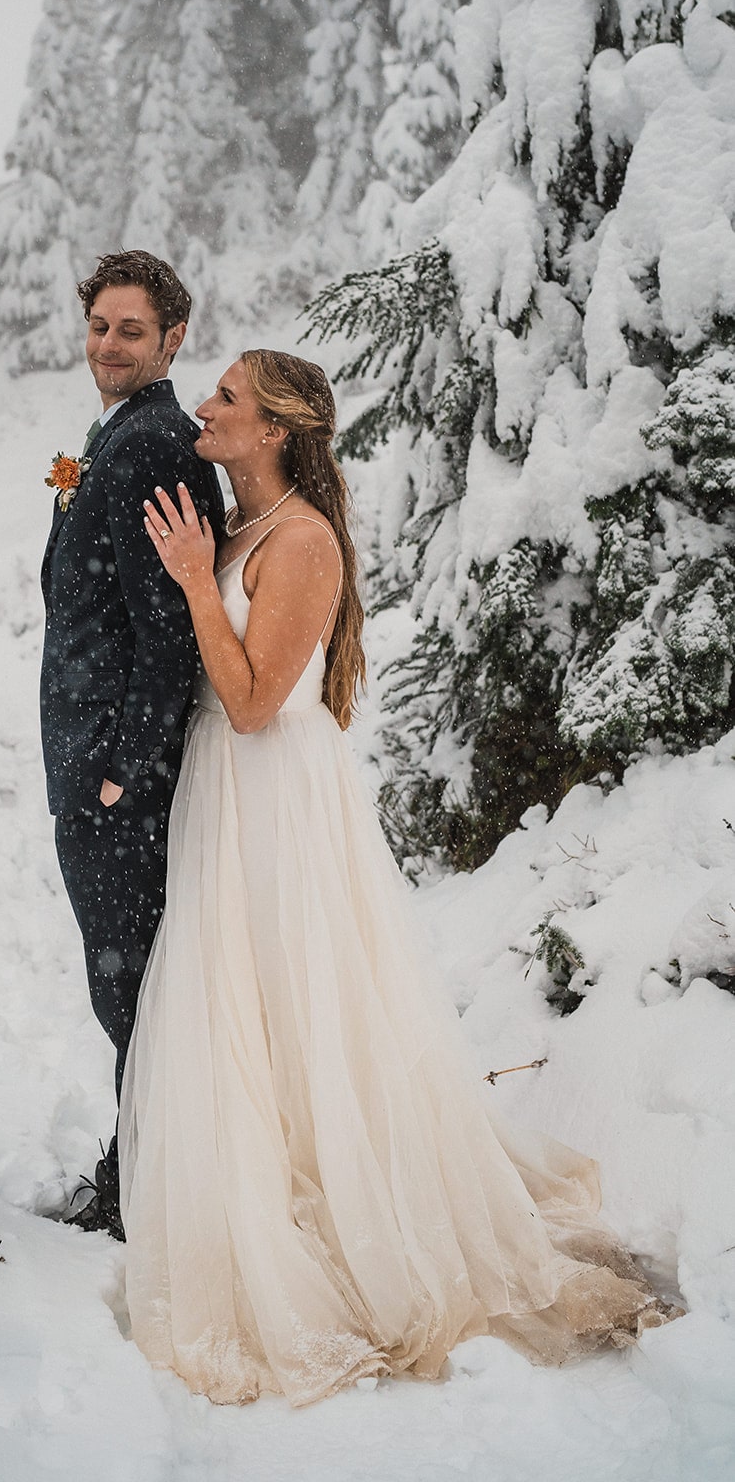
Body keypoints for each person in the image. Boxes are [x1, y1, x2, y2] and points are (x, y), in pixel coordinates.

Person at [120, 349, 670, 1406]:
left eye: (227, 395)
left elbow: (248, 703)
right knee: (242, 1005)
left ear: (275, 428)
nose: (206, 404)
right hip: (221, 798)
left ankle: (360, 1214)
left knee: (300, 995)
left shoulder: (302, 541)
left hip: (269, 794)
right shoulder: (237, 527)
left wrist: (195, 583)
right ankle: (263, 1181)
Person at [39, 251, 224, 1240]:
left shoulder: (154, 444)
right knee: (130, 985)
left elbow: (172, 629)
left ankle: (143, 1192)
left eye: (129, 331)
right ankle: (144, 1168)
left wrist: (123, 772)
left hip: (117, 778)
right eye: (98, 326)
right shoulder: (121, 432)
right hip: (90, 758)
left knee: (134, 990)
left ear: (172, 339)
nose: (107, 345)